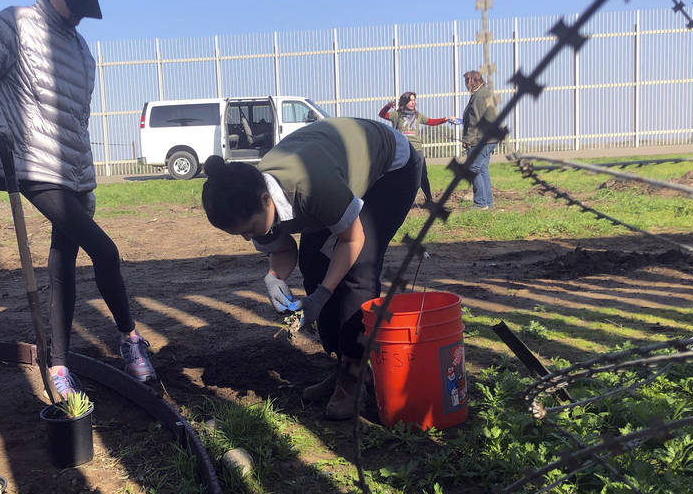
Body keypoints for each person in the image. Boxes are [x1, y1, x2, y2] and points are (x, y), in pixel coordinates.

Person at [0, 0, 156, 396]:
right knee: (105, 252)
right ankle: (130, 340)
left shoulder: (83, 51)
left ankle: (59, 366)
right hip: (30, 165)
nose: (81, 12)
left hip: (74, 174)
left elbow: (77, 122)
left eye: (89, 3)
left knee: (64, 260)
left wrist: (89, 180)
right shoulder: (15, 25)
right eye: (75, 0)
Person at [201, 117, 422, 420]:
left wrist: (323, 293)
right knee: (314, 261)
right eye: (241, 234)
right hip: (336, 169)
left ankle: (353, 375)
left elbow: (351, 239)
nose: (249, 238)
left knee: (358, 271)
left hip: (389, 170)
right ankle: (342, 363)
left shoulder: (311, 187)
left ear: (267, 200)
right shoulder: (252, 194)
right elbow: (281, 248)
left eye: (250, 229)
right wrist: (274, 276)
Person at [378, 91, 453, 203]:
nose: (413, 102)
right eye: (411, 100)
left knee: (422, 176)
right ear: (405, 102)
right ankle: (400, 200)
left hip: (417, 150)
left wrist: (445, 119)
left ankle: (429, 199)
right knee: (401, 176)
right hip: (403, 151)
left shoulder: (418, 115)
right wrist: (388, 106)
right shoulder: (396, 115)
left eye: (414, 100)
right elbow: (382, 115)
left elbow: (431, 122)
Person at [457, 71, 499, 210]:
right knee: (482, 169)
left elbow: (475, 119)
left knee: (473, 168)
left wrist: (467, 139)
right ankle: (488, 203)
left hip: (481, 139)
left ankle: (480, 203)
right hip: (489, 138)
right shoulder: (485, 92)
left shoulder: (479, 95)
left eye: (465, 82)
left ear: (471, 81)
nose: (465, 85)